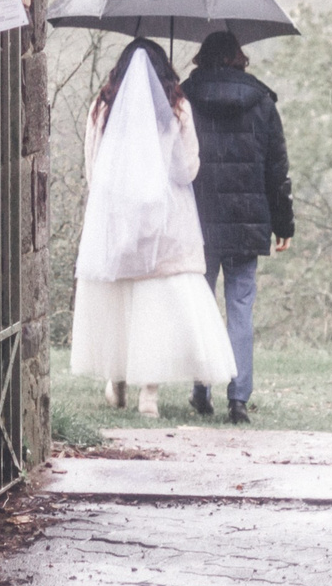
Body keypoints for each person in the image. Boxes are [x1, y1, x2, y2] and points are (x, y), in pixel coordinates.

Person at [70, 40, 238, 419]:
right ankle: (150, 394)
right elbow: (187, 170)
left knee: (118, 297)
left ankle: (118, 382)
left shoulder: (102, 107)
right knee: (156, 304)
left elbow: (93, 168)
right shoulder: (178, 107)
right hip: (165, 222)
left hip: (117, 217)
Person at [182, 30, 294, 423]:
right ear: (239, 58)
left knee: (202, 306)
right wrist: (284, 223)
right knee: (241, 307)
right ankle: (238, 398)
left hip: (199, 220)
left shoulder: (185, 97)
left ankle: (201, 389)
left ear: (203, 56)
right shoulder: (262, 102)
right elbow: (276, 170)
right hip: (248, 222)